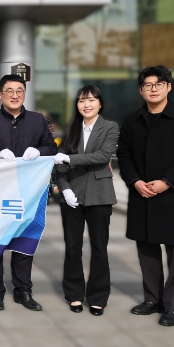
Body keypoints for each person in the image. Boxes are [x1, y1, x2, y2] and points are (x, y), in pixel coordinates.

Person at [117, 65, 174, 327]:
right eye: (148, 85)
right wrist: (134, 181)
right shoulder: (132, 121)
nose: (153, 89)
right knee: (146, 249)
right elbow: (124, 156)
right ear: (141, 90)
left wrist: (167, 182)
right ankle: (152, 299)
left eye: (159, 84)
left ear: (169, 87)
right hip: (142, 193)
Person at [0, 74, 58, 312]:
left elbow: (51, 147)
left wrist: (39, 151)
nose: (14, 95)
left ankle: (23, 291)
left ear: (24, 94)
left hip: (28, 192)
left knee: (24, 241)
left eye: (19, 91)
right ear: (0, 94)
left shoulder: (37, 120)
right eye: (9, 91)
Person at [53, 86, 119, 316]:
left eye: (91, 100)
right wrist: (65, 189)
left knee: (99, 247)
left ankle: (98, 297)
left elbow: (102, 156)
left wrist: (69, 159)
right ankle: (74, 294)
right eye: (82, 101)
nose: (86, 104)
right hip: (72, 195)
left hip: (100, 194)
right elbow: (59, 166)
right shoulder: (71, 129)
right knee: (73, 247)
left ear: (100, 103)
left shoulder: (110, 127)